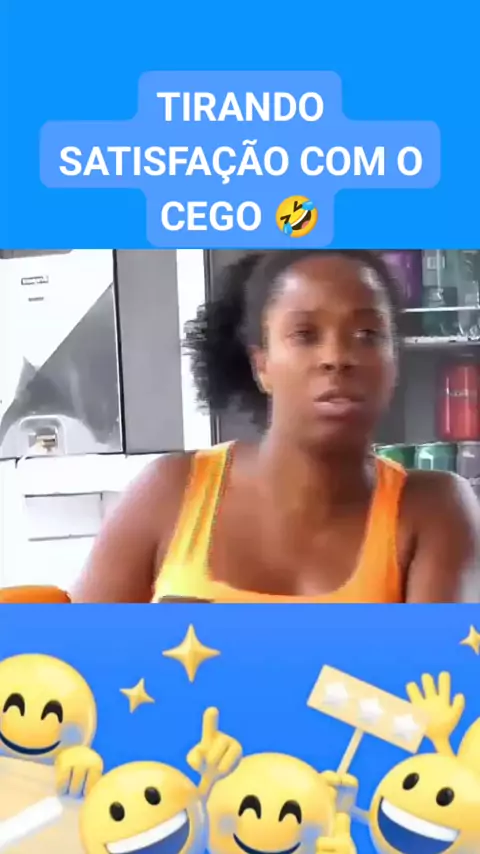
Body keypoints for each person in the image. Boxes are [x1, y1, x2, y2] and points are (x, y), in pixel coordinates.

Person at [73, 250, 480, 603]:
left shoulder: (435, 510)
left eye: (367, 334)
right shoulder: (169, 491)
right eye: (305, 335)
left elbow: (440, 667)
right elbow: (73, 660)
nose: (337, 357)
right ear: (261, 365)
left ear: (394, 362)